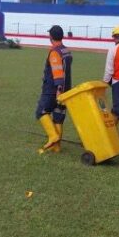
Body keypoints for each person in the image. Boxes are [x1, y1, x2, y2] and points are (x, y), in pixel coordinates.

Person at [36, 25, 73, 153]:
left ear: (51, 36)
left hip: (53, 89)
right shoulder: (66, 51)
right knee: (58, 116)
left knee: (41, 111)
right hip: (66, 89)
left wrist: (58, 89)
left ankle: (53, 137)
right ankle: (56, 147)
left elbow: (57, 72)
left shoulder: (55, 52)